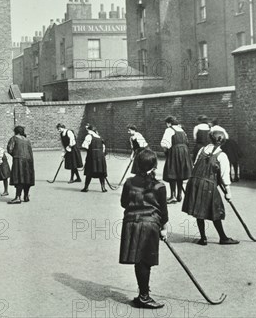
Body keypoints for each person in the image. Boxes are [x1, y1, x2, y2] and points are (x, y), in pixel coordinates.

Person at [119, 149, 168, 310]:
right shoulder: (160, 186)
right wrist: (164, 229)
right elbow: (163, 212)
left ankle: (143, 294)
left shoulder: (128, 182)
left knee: (139, 260)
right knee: (145, 261)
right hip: (150, 225)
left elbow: (124, 203)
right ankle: (144, 297)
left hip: (131, 224)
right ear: (154, 166)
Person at [182, 130, 239, 245]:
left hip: (194, 182)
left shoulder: (202, 150)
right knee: (215, 209)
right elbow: (224, 176)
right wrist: (228, 192)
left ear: (210, 139)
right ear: (222, 142)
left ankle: (203, 238)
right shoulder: (222, 155)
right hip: (207, 185)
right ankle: (223, 237)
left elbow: (195, 165)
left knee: (198, 209)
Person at [160, 116, 192, 204]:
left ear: (169, 123)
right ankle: (179, 195)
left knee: (172, 173)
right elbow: (187, 142)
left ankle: (173, 196)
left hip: (174, 152)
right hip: (184, 153)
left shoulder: (169, 130)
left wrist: (166, 152)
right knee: (180, 173)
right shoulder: (182, 130)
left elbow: (164, 144)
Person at [7, 126, 35, 204]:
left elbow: (10, 149)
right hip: (29, 161)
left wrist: (15, 155)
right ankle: (26, 196)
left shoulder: (14, 138)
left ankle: (18, 197)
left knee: (19, 178)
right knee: (27, 178)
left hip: (19, 160)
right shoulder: (27, 140)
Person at [81, 124, 108, 193]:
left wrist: (89, 151)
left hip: (92, 156)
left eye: (88, 130)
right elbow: (103, 148)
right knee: (101, 172)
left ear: (90, 130)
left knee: (89, 171)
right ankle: (103, 188)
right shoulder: (99, 137)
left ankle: (86, 187)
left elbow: (84, 146)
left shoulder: (89, 136)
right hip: (100, 156)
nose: (87, 132)